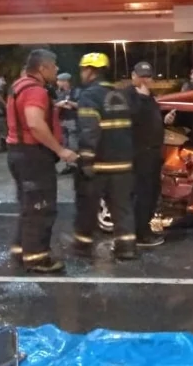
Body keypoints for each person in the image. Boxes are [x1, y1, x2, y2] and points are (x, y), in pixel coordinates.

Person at [5, 49, 77, 273]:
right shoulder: (36, 91)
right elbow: (35, 124)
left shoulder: (19, 85)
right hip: (33, 156)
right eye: (54, 66)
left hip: (17, 153)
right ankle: (37, 258)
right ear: (43, 68)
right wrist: (61, 150)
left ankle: (21, 250)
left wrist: (54, 108)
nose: (56, 70)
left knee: (28, 206)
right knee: (41, 207)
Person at [73, 53, 138, 261]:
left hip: (100, 164)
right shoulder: (121, 95)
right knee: (123, 208)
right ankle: (127, 248)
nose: (82, 73)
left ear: (91, 70)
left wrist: (86, 159)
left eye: (83, 69)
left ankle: (82, 248)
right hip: (124, 164)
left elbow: (89, 130)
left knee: (87, 207)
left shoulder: (89, 96)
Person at [125, 62, 169, 247]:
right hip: (138, 154)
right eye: (142, 76)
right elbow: (131, 120)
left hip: (152, 153)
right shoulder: (128, 96)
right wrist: (142, 99)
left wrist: (164, 121)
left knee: (151, 194)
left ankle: (144, 228)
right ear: (133, 76)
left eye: (148, 76)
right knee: (141, 194)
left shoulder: (149, 97)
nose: (145, 80)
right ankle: (138, 234)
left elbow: (149, 122)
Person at [54, 73, 80, 175]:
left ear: (65, 81)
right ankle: (69, 165)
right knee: (65, 143)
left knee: (73, 143)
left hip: (72, 119)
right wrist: (59, 104)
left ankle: (76, 164)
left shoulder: (75, 91)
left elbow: (81, 104)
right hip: (62, 120)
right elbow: (54, 103)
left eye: (59, 81)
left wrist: (68, 103)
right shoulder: (58, 93)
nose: (58, 83)